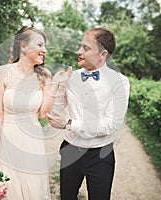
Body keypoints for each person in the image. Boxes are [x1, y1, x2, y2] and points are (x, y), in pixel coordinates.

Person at [0, 26, 72, 200]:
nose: (44, 50)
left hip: (33, 141)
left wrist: (55, 84)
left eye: (44, 46)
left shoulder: (44, 75)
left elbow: (42, 113)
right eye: (39, 45)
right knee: (10, 191)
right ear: (23, 46)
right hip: (8, 142)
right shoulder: (2, 73)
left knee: (35, 190)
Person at [46, 27, 130, 200]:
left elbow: (111, 125)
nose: (79, 51)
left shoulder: (120, 82)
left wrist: (69, 124)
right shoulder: (70, 77)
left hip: (101, 154)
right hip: (70, 149)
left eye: (86, 48)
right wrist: (55, 85)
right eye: (80, 46)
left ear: (102, 54)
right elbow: (53, 113)